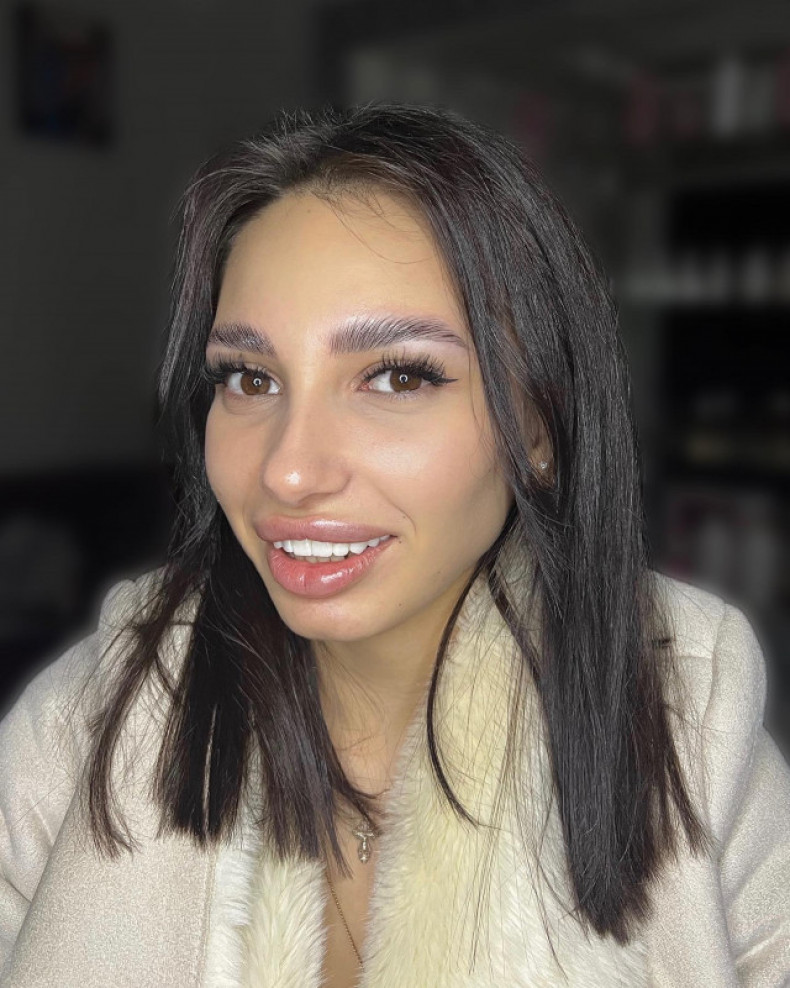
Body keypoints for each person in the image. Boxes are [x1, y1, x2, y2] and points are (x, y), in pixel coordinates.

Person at [0, 102, 788, 988]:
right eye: (250, 378)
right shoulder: (100, 709)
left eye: (398, 376)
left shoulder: (688, 717)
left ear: (538, 425)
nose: (289, 471)